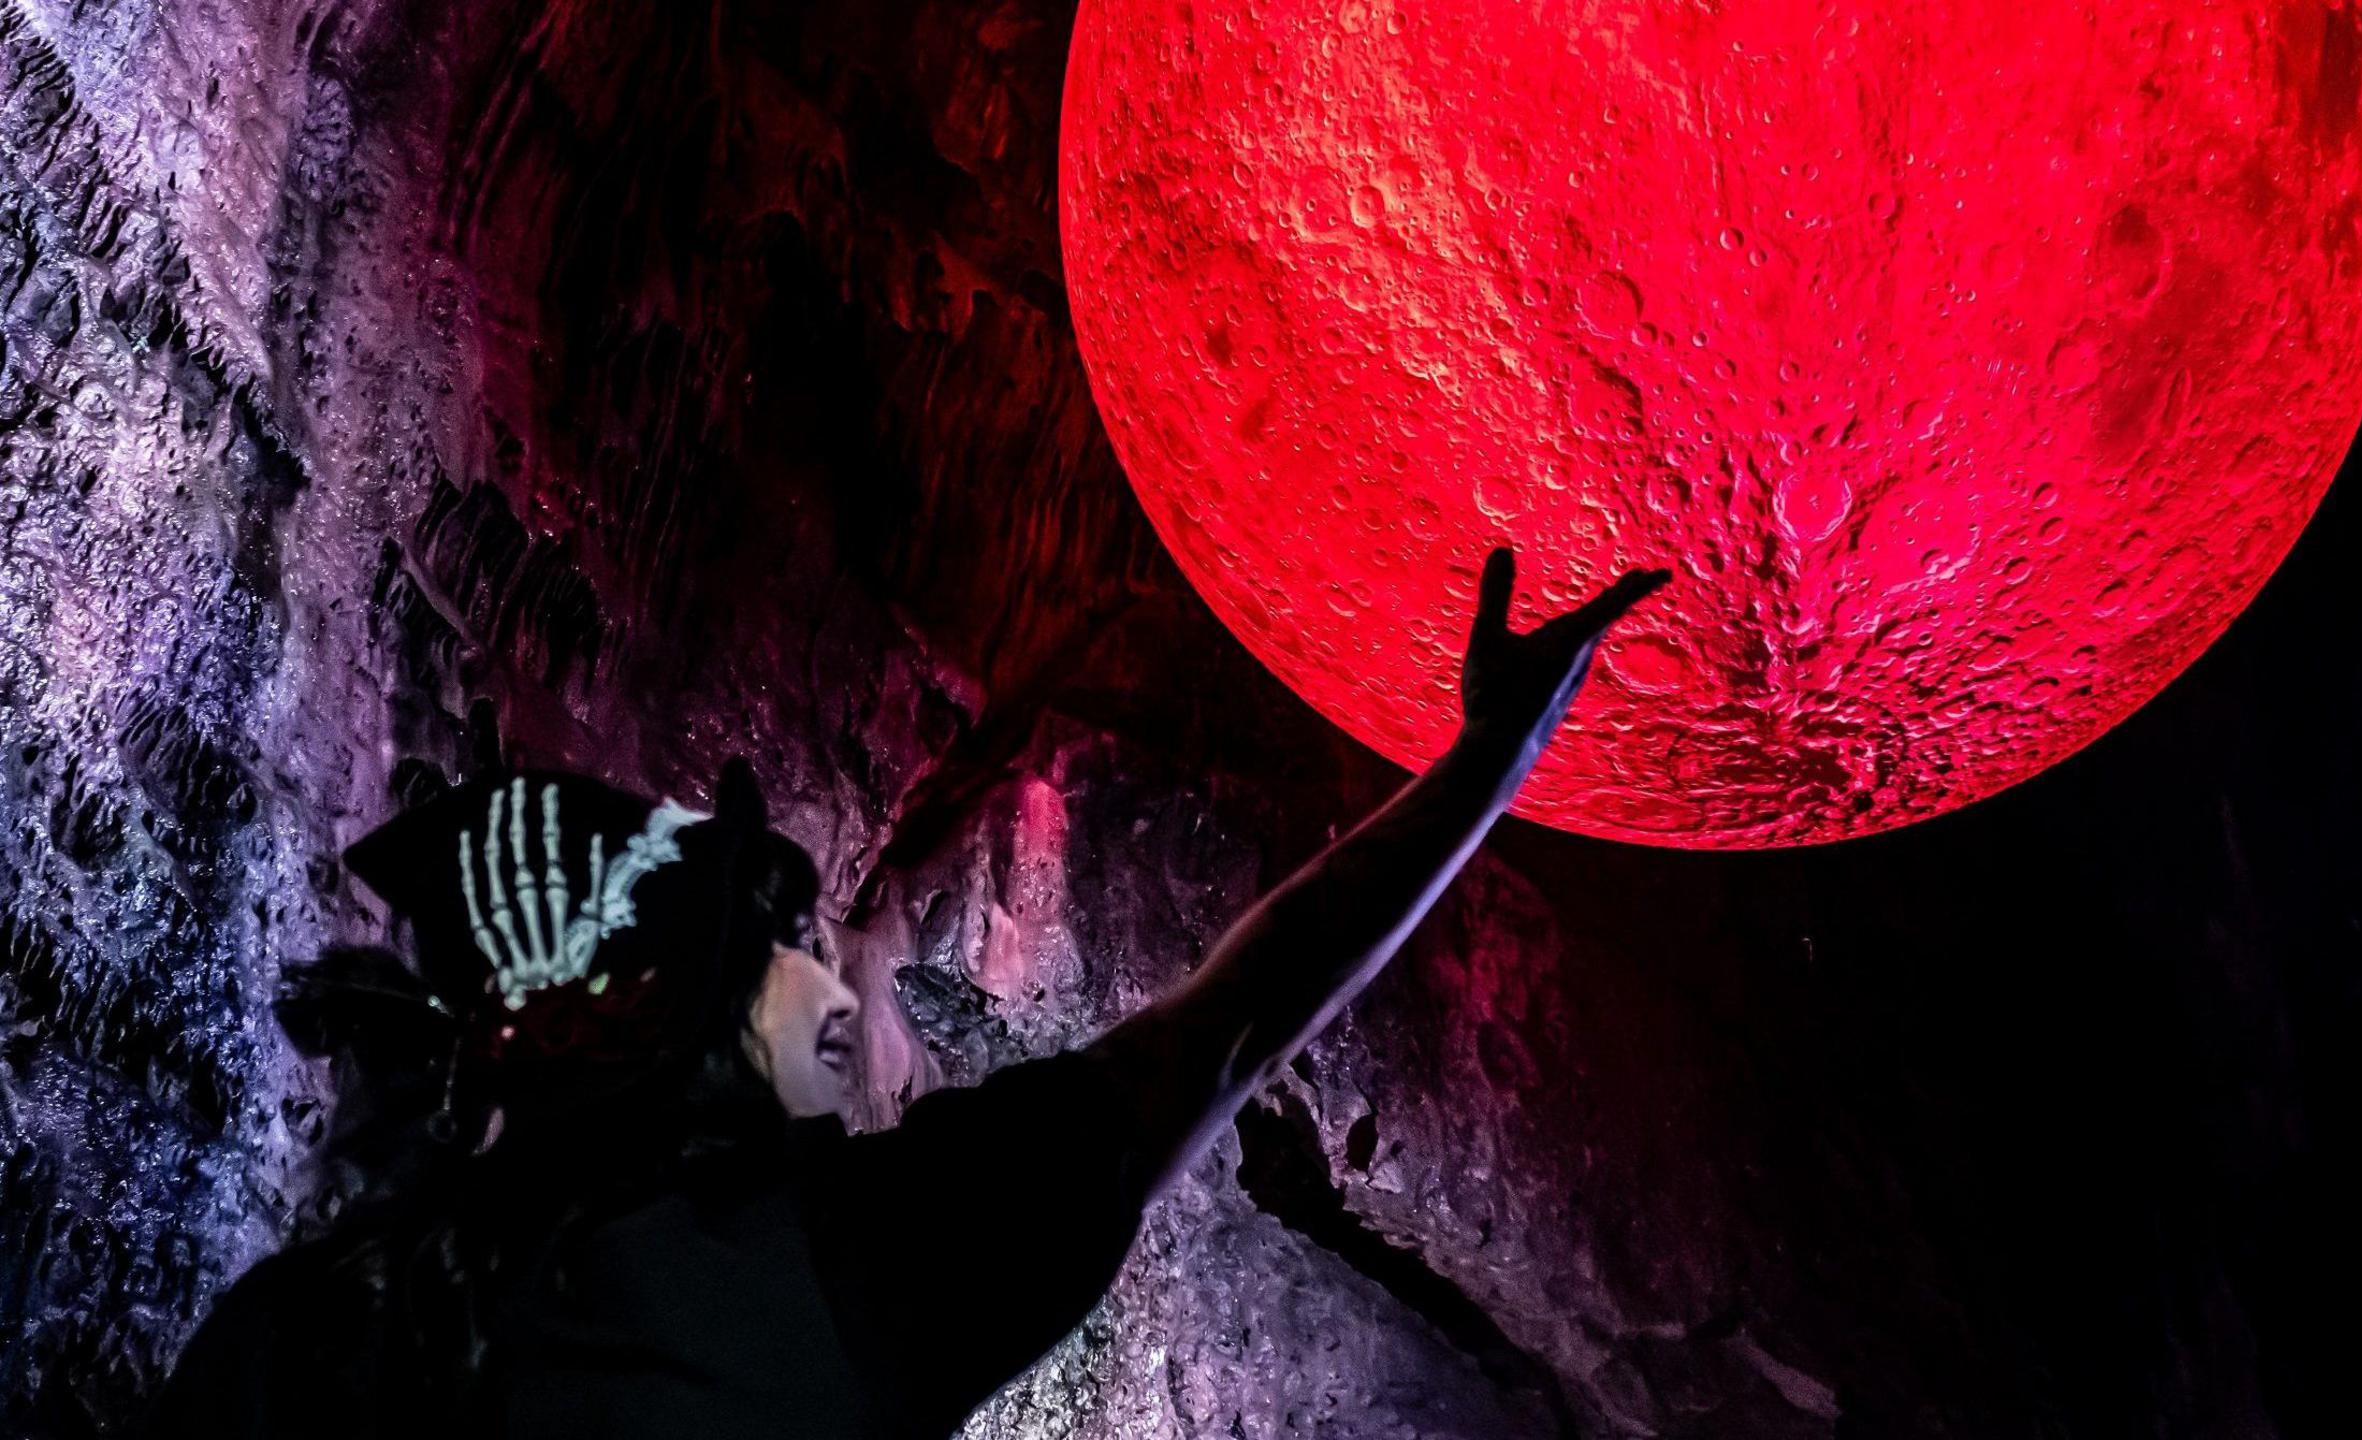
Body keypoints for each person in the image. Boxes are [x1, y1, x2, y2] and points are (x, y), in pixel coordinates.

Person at [142, 548, 1670, 1438]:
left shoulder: (301, 1336)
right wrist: (1489, 766)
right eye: (781, 940)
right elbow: (1220, 1035)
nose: (832, 980)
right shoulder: (820, 1282)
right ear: (689, 1034)